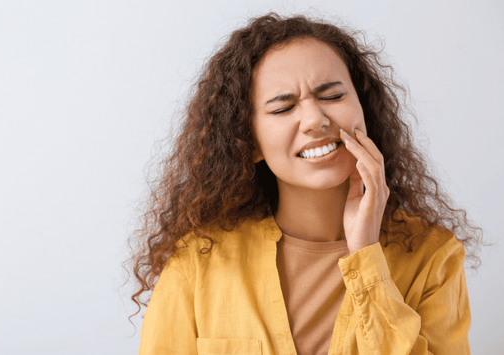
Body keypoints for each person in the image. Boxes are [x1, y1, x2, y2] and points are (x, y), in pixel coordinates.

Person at [128, 13, 482, 355]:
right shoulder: (195, 263)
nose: (315, 119)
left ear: (365, 110)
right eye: (283, 108)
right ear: (248, 141)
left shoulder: (433, 256)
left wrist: (366, 258)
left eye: (332, 96)